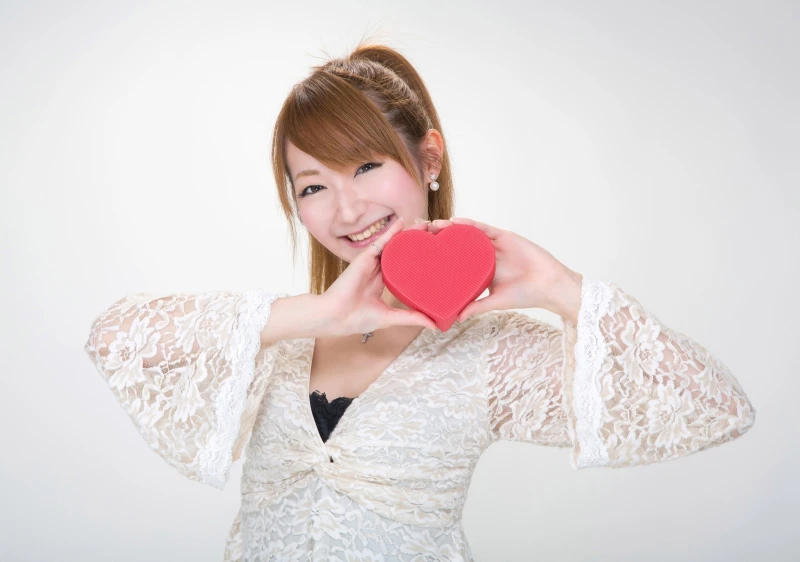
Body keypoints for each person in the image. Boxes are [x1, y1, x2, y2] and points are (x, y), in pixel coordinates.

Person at [83, 42, 757, 562]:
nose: (347, 209)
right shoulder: (275, 338)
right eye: (313, 186)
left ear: (428, 159)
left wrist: (563, 289)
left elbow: (716, 407)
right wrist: (317, 315)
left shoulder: (490, 353)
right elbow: (112, 339)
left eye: (366, 166)